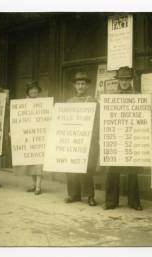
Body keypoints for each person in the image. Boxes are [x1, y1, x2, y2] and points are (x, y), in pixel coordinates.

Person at [103, 67, 143, 211]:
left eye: (127, 79)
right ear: (118, 80)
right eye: (122, 79)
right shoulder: (111, 96)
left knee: (132, 170)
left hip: (131, 134)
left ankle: (134, 202)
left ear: (131, 80)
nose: (125, 82)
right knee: (112, 169)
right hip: (115, 134)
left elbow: (142, 116)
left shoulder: (138, 96)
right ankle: (111, 201)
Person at [63, 71, 98, 206]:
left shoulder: (93, 101)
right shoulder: (69, 102)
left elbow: (97, 121)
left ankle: (89, 195)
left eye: (83, 84)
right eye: (78, 84)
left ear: (87, 86)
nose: (81, 86)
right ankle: (73, 194)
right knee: (71, 167)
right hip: (72, 139)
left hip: (88, 140)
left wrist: (93, 137)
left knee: (87, 168)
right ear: (74, 86)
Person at [20, 81, 44, 195]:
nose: (33, 91)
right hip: (28, 136)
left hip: (40, 136)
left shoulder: (43, 103)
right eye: (31, 89)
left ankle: (39, 187)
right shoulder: (23, 104)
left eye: (35, 89)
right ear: (28, 91)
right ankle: (33, 185)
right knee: (31, 161)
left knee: (39, 162)